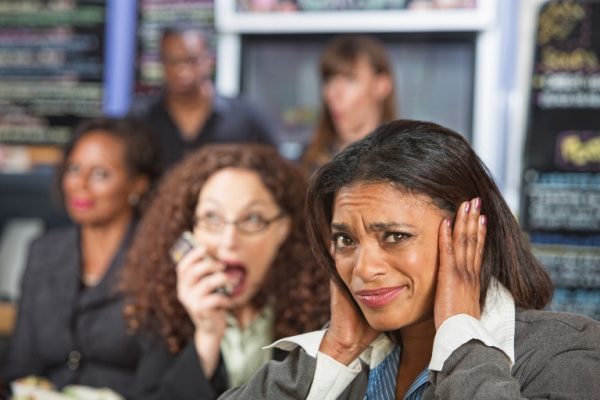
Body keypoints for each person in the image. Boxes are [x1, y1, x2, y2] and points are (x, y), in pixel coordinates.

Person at [219, 120, 600, 399]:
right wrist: (336, 350)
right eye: (346, 240)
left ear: (471, 233)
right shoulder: (349, 359)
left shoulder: (566, 353)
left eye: (396, 237)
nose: (364, 269)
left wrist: (461, 337)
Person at [120, 143, 330, 399]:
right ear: (190, 229)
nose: (229, 240)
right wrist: (206, 338)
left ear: (283, 229)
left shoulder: (318, 312)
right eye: (212, 218)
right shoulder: (165, 309)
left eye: (253, 219)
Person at [1, 117, 162, 398]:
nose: (81, 184)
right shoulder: (43, 251)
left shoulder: (160, 260)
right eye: (74, 169)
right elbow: (21, 364)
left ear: (138, 185)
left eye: (100, 174)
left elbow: (163, 382)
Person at [130, 24, 277, 171]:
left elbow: (275, 171)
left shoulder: (246, 118)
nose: (181, 70)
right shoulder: (140, 120)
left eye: (191, 60)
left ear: (209, 60)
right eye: (172, 61)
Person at [302, 34, 396, 171]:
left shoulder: (405, 163)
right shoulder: (310, 162)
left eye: (350, 79)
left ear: (382, 85)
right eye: (329, 80)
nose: (334, 93)